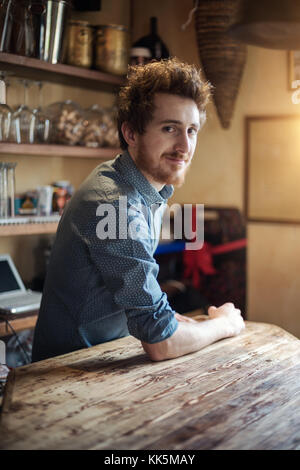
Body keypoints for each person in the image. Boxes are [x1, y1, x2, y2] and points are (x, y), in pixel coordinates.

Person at [32, 58, 245, 363]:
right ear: (131, 134)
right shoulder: (114, 206)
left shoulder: (144, 188)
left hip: (108, 358)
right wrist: (224, 324)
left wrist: (183, 322)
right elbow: (162, 343)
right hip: (70, 375)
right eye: (170, 128)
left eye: (192, 130)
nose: (184, 146)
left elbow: (147, 308)